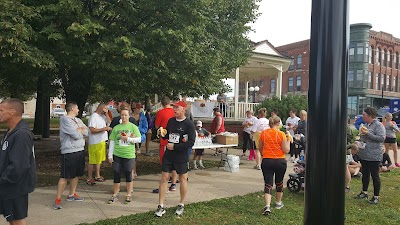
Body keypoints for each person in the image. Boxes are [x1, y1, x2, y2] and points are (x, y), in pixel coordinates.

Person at [154, 101, 196, 217]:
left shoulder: (189, 124)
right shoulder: (171, 121)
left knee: (182, 179)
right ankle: (161, 206)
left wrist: (176, 146)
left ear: (183, 109)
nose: (175, 110)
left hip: (181, 156)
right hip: (169, 154)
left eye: (177, 108)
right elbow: (168, 135)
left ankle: (181, 204)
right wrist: (162, 133)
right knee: (164, 177)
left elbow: (191, 142)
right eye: (174, 108)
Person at [0, 98, 36, 224]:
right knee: (12, 218)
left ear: (12, 112)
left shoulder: (21, 134)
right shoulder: (10, 132)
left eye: (1, 110)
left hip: (15, 186)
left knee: (16, 220)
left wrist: (2, 179)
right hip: (8, 185)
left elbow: (18, 166)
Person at [53, 102, 88, 210]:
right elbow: (76, 135)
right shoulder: (65, 120)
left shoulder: (78, 120)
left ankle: (71, 194)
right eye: (77, 108)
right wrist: (79, 131)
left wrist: (81, 130)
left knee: (76, 174)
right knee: (65, 176)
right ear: (72, 108)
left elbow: (86, 132)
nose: (78, 109)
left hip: (80, 150)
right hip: (69, 152)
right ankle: (58, 199)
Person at [107, 108, 141, 204]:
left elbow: (139, 139)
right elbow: (112, 142)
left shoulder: (133, 127)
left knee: (128, 172)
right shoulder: (116, 128)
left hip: (129, 154)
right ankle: (115, 194)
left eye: (126, 115)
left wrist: (129, 139)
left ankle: (129, 194)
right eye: (122, 115)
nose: (124, 117)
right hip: (117, 154)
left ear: (129, 116)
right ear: (120, 116)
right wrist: (110, 155)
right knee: (116, 172)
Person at [258, 115, 290, 215]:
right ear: (278, 124)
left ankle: (267, 206)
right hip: (280, 161)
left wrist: (265, 155)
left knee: (268, 183)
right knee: (279, 182)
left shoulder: (263, 133)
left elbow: (260, 148)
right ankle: (278, 203)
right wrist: (289, 139)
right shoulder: (281, 134)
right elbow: (286, 150)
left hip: (267, 160)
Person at [354, 107, 385, 204]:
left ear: (370, 116)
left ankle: (376, 196)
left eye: (364, 115)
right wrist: (359, 140)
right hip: (364, 154)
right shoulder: (366, 125)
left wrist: (368, 133)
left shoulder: (379, 125)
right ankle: (364, 192)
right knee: (365, 174)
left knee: (375, 176)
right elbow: (365, 138)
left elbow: (381, 138)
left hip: (374, 155)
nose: (362, 117)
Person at [154, 97, 177, 193]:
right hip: (175, 141)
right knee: (175, 163)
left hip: (165, 141)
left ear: (162, 104)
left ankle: (165, 186)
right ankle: (173, 184)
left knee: (166, 164)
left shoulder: (161, 112)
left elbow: (157, 126)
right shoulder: (175, 112)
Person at [86, 103, 112, 185]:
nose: (106, 110)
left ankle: (97, 175)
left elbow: (109, 122)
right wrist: (104, 129)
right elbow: (92, 130)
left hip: (102, 141)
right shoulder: (93, 117)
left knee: (99, 160)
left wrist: (106, 113)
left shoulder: (102, 116)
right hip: (94, 142)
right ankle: (89, 177)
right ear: (101, 108)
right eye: (105, 108)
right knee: (92, 160)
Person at [131, 103, 148, 179]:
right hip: (130, 137)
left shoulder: (143, 117)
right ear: (134, 109)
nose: (140, 109)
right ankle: (131, 170)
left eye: (141, 108)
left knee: (135, 154)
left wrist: (138, 129)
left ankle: (134, 171)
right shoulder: (130, 116)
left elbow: (145, 128)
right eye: (138, 108)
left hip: (139, 137)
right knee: (131, 153)